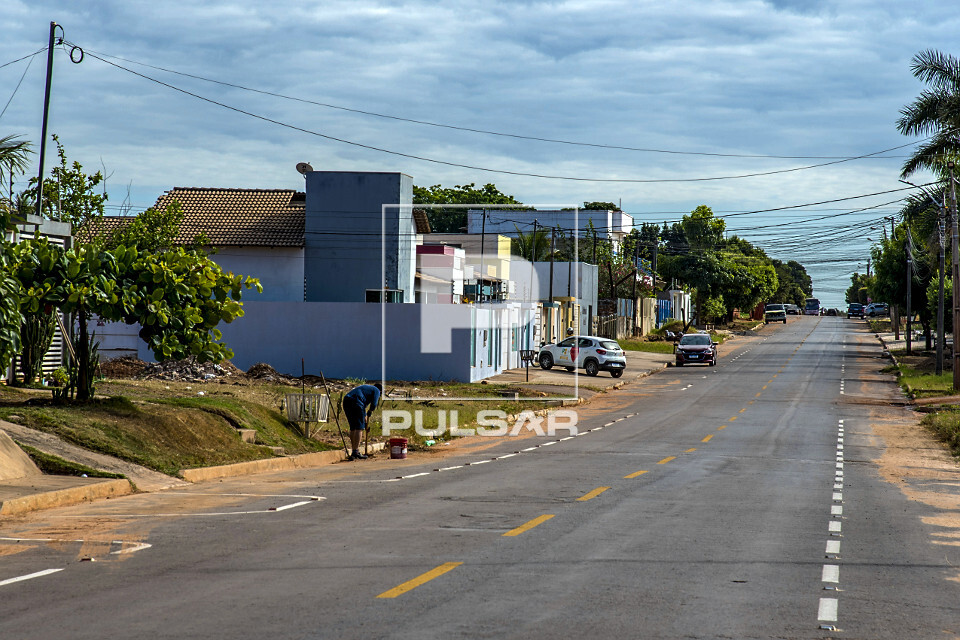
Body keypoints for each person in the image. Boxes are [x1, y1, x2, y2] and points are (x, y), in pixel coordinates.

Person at [342, 382, 382, 460]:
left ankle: (354, 451)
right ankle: (356, 451)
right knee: (359, 428)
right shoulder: (376, 390)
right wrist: (370, 411)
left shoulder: (366, 388)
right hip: (356, 402)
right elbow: (374, 404)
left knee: (353, 427)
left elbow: (362, 406)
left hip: (346, 401)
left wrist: (364, 416)